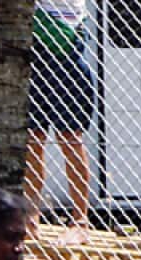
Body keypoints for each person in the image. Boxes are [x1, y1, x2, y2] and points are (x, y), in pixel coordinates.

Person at [26, 0, 94, 240]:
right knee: (33, 138)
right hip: (35, 44)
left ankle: (80, 219)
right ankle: (31, 216)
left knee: (70, 137)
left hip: (66, 35)